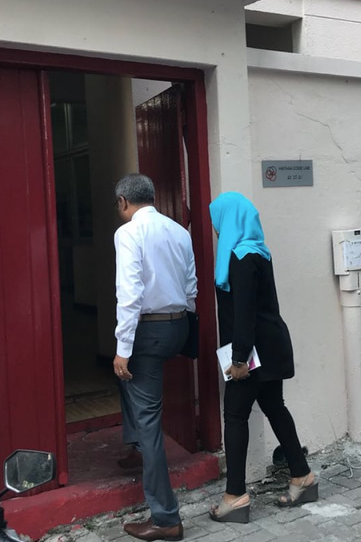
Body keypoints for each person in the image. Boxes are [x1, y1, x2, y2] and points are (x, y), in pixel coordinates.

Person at [207, 191, 317, 524]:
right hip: (269, 346)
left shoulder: (241, 257)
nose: (215, 229)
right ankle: (302, 475)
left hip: (253, 352)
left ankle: (235, 496)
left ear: (228, 221)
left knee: (235, 415)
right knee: (274, 407)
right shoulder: (258, 251)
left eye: (217, 221)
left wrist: (239, 360)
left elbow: (245, 312)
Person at [113, 173, 197, 542]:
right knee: (125, 378)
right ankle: (136, 446)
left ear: (123, 202)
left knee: (149, 418)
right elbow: (191, 286)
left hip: (148, 331)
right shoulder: (179, 231)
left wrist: (123, 347)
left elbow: (129, 293)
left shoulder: (128, 233)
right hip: (178, 326)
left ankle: (165, 518)